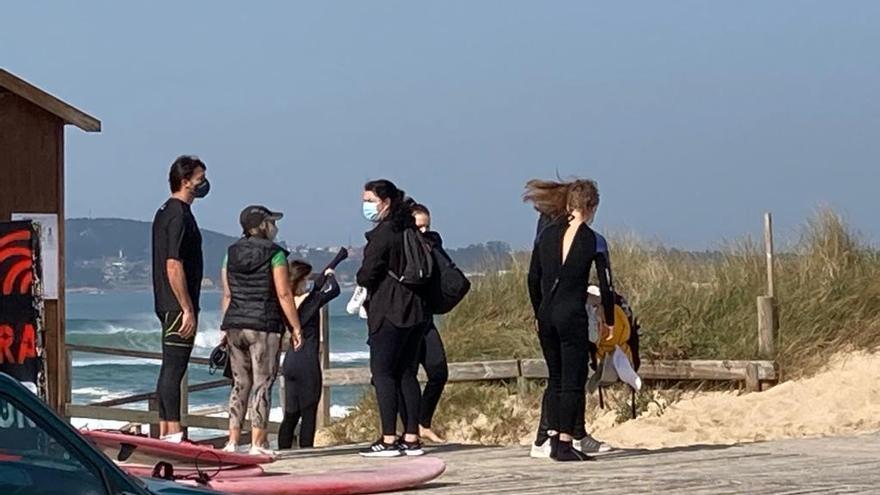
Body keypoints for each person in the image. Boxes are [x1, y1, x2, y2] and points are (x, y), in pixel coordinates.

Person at [525, 178, 615, 462]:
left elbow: (533, 278)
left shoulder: (545, 235)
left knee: (555, 377)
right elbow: (606, 284)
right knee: (573, 379)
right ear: (591, 207)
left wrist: (538, 310)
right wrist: (609, 320)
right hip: (571, 314)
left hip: (546, 314)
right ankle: (565, 443)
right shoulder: (594, 239)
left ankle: (551, 438)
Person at [220, 205, 304, 455]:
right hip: (263, 324)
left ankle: (232, 441)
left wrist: (224, 327)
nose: (275, 227)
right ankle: (258, 443)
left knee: (239, 384)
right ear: (262, 226)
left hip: (234, 323)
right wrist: (296, 327)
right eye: (272, 222)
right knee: (262, 384)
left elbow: (227, 293)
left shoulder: (230, 252)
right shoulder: (275, 254)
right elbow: (283, 292)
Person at [357, 179, 430, 457]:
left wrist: (362, 277)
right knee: (407, 374)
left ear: (385, 202)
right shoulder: (409, 229)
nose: (365, 206)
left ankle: (388, 438)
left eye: (369, 201)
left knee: (384, 374)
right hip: (416, 310)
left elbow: (366, 273)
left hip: (389, 309)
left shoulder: (383, 233)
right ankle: (411, 437)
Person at [151, 155, 209, 441]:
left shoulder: (164, 211)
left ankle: (166, 428)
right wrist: (187, 307)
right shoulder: (177, 214)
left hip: (169, 302)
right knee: (175, 367)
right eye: (200, 177)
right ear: (185, 181)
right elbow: (173, 264)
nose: (204, 182)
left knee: (170, 366)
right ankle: (173, 430)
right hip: (176, 304)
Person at [278, 261, 341, 449]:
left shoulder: (285, 303)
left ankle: (283, 451)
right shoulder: (311, 300)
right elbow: (334, 291)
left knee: (290, 414)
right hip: (307, 362)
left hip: (290, 361)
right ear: (301, 280)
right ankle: (305, 451)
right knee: (308, 413)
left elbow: (314, 290)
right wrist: (331, 276)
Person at [401, 203, 449, 444]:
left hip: (427, 319)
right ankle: (410, 427)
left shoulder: (432, 247)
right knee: (406, 375)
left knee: (438, 371)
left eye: (427, 226)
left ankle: (423, 422)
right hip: (407, 320)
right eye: (419, 226)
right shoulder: (403, 250)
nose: (424, 231)